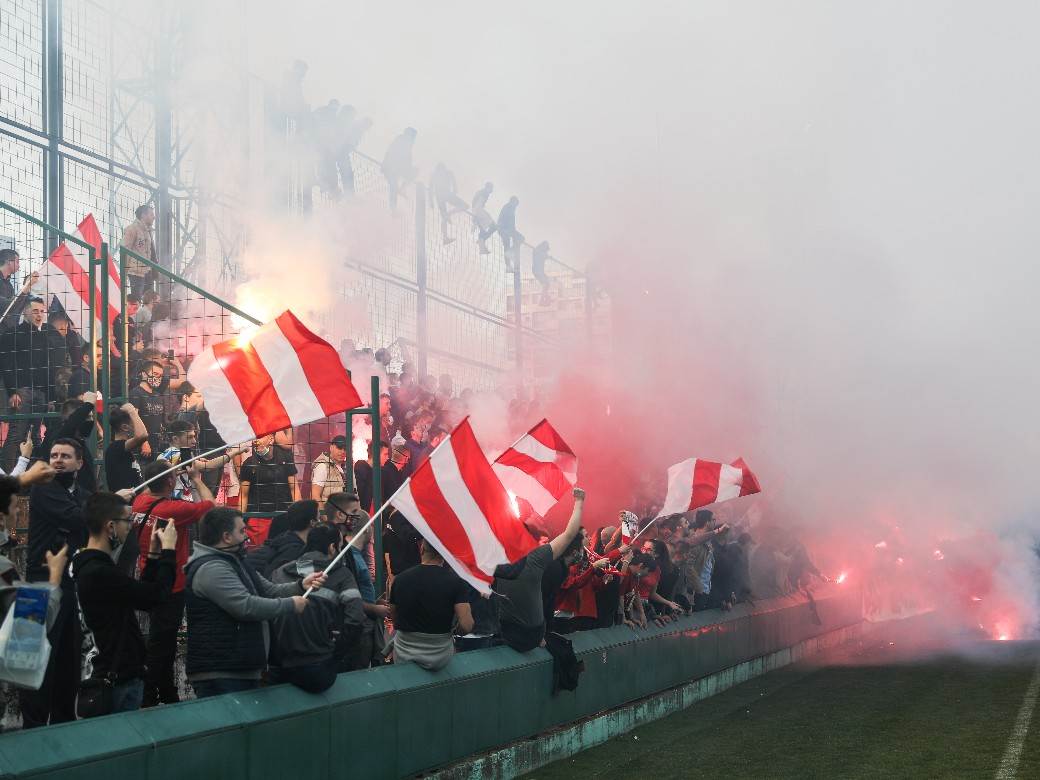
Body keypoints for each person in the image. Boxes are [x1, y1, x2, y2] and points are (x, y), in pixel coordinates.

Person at [184, 507, 326, 698]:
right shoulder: (212, 568)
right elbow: (246, 606)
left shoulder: (236, 562)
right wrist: (290, 605)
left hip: (240, 668)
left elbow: (269, 590)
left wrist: (301, 585)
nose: (246, 537)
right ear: (226, 537)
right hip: (222, 671)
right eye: (242, 531)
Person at [72, 492, 178, 713]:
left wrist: (154, 555)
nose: (130, 527)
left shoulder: (86, 566)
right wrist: (169, 552)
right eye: (127, 521)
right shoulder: (99, 572)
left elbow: (142, 598)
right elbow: (157, 596)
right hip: (115, 678)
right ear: (110, 526)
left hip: (106, 673)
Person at [18, 439, 92, 727]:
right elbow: (77, 518)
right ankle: (32, 733)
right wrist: (104, 508)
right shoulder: (44, 488)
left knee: (68, 664)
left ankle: (63, 730)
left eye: (65, 456)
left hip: (69, 585)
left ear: (80, 463)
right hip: (38, 585)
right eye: (54, 455)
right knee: (35, 668)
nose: (58, 460)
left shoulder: (84, 494)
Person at [132, 459, 215, 706]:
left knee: (161, 640)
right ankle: (148, 696)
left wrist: (167, 475)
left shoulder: (140, 503)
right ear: (170, 481)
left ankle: (168, 693)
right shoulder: (174, 510)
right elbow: (210, 506)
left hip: (148, 575)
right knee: (162, 644)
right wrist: (196, 479)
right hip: (172, 583)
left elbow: (151, 487)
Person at [268, 524, 366, 692]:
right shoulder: (341, 575)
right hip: (318, 666)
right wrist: (336, 651)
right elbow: (355, 618)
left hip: (278, 664)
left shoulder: (280, 572)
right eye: (340, 546)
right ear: (332, 547)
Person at [493, 487, 586, 652]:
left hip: (505, 632)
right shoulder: (536, 557)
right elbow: (570, 534)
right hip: (531, 634)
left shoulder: (494, 560)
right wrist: (579, 502)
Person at [1, 297, 68, 472]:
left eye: (42, 311)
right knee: (17, 434)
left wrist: (51, 396)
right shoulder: (13, 334)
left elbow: (50, 369)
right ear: (25, 312)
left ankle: (30, 478)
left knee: (36, 436)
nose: (39, 315)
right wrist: (13, 391)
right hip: (22, 392)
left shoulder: (46, 335)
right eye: (35, 311)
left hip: (41, 393)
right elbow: (6, 366)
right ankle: (7, 479)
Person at [325, 494, 389, 670]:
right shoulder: (339, 553)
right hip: (350, 628)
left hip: (358, 624)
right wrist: (373, 608)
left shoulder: (349, 552)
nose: (356, 516)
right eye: (353, 512)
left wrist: (373, 603)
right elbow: (342, 595)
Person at [388, 539, 473, 671]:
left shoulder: (400, 580)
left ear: (421, 549)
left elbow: (393, 614)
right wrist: (454, 632)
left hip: (404, 653)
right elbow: (467, 625)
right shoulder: (456, 583)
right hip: (440, 657)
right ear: (444, 555)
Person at [246, 499, 317, 578]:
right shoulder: (296, 551)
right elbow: (273, 578)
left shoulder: (285, 538)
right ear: (312, 523)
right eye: (319, 518)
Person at [239, 434, 299, 516]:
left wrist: (300, 515)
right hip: (258, 516)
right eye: (254, 438)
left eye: (259, 437)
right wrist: (240, 519)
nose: (254, 441)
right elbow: (243, 496)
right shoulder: (248, 464)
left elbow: (294, 489)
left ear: (271, 439)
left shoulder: (285, 458)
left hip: (283, 514)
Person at [104, 404, 149, 492]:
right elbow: (142, 435)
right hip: (123, 504)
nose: (138, 425)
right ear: (125, 427)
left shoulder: (123, 448)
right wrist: (133, 412)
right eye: (135, 422)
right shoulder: (115, 448)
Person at [129, 359, 167, 457]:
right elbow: (133, 420)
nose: (158, 377)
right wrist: (143, 443)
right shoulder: (135, 393)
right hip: (142, 448)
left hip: (157, 446)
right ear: (144, 374)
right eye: (155, 373)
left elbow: (161, 422)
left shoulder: (158, 395)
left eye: (160, 375)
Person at [120, 205, 156, 297]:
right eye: (151, 214)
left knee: (149, 300)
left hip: (147, 271)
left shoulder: (148, 231)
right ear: (143, 215)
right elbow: (125, 250)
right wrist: (124, 272)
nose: (154, 217)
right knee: (137, 300)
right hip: (136, 272)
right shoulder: (132, 229)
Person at [429, 163, 468, 244]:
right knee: (465, 206)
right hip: (446, 195)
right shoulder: (447, 173)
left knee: (444, 217)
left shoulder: (436, 175)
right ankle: (445, 237)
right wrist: (454, 191)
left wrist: (431, 201)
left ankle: (445, 237)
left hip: (440, 196)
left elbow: (430, 188)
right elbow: (454, 185)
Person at [0, 248, 38, 330]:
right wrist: (26, 287)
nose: (19, 265)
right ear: (8, 262)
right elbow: (6, 306)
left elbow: (14, 308)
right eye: (17, 262)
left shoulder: (8, 285)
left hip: (8, 332)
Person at [381, 127, 418, 210]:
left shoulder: (407, 142)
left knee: (394, 187)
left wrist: (409, 168)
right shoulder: (402, 141)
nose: (414, 138)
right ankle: (393, 209)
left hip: (398, 168)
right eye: (413, 136)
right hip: (391, 168)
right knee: (393, 187)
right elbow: (392, 152)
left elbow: (407, 158)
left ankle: (401, 189)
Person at [310, 435, 348, 506]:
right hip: (330, 515)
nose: (343, 451)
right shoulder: (323, 466)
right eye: (339, 448)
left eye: (345, 449)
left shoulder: (345, 468)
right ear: (331, 447)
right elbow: (315, 495)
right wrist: (324, 515)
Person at [497, 196, 522, 270]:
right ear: (512, 202)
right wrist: (511, 231)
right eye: (516, 204)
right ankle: (508, 264)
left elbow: (510, 222)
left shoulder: (510, 208)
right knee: (508, 245)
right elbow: (507, 221)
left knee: (510, 244)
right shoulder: (508, 208)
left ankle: (509, 263)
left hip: (507, 229)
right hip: (504, 229)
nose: (516, 206)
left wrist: (513, 231)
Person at [471, 182, 496, 254]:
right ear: (488, 188)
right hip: (478, 211)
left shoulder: (481, 192)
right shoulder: (484, 193)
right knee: (494, 226)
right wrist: (475, 219)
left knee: (482, 228)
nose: (492, 190)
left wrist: (475, 218)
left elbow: (476, 203)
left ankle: (482, 248)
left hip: (477, 211)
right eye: (491, 188)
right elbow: (478, 204)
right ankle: (481, 240)